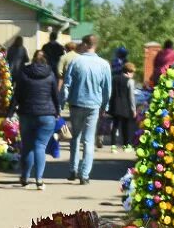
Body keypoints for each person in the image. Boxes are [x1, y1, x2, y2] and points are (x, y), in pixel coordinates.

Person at [61, 35, 111, 182]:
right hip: (94, 105)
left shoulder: (75, 61)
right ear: (96, 45)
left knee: (75, 137)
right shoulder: (104, 64)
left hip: (76, 103)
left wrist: (62, 103)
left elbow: (67, 85)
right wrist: (105, 105)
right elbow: (107, 89)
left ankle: (73, 169)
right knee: (89, 139)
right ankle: (85, 174)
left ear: (84, 44)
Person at [13, 44, 59, 190]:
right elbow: (55, 96)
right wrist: (57, 111)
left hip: (27, 113)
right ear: (45, 60)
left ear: (32, 59)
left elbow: (17, 96)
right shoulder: (50, 74)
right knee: (40, 146)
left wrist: (10, 112)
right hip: (47, 115)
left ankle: (25, 177)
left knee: (27, 147)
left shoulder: (24, 73)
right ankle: (39, 179)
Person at [106, 46, 136, 145]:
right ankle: (126, 144)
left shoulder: (114, 65)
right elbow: (131, 96)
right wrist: (133, 109)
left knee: (115, 125)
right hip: (125, 105)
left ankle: (113, 144)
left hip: (114, 103)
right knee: (125, 126)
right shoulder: (129, 79)